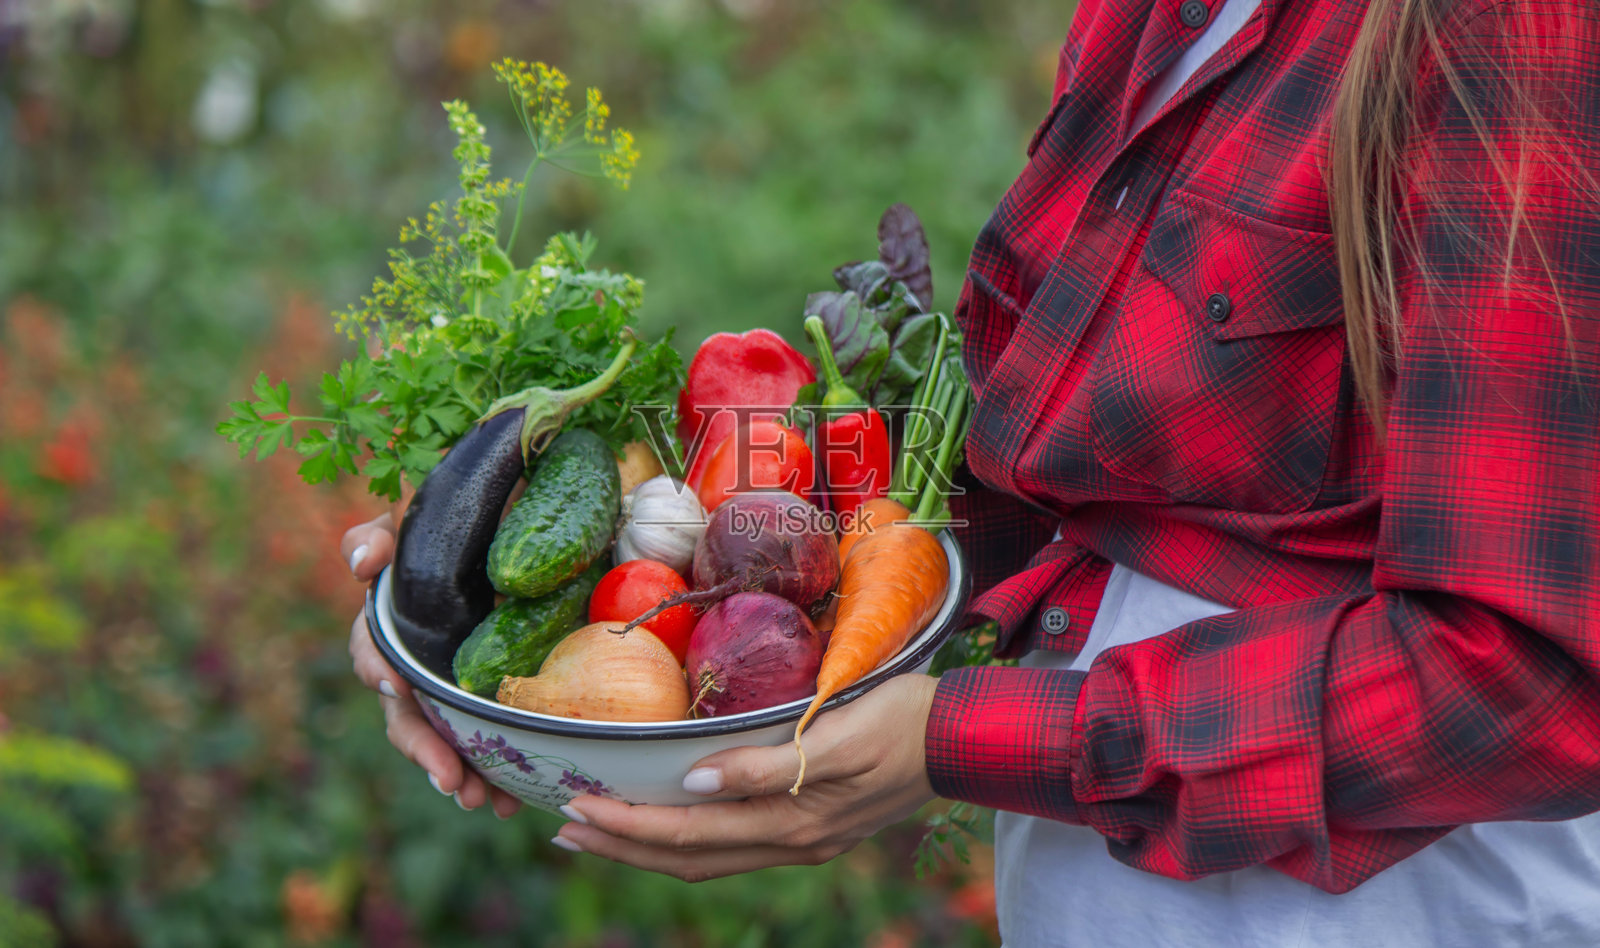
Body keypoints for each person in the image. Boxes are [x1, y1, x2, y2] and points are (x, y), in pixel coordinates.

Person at [342, 0, 1600, 939]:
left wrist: (964, 736)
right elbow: (1060, 476)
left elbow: (1536, 680)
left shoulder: (1509, 31)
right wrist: (487, 591)